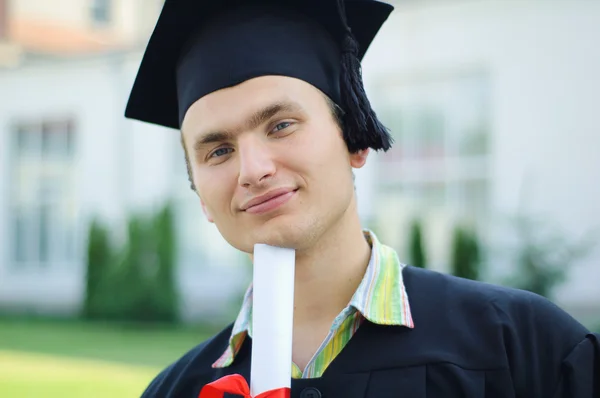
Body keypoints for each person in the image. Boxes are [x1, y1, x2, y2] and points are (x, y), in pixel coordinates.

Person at [125, 0, 600, 396]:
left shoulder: (526, 350)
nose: (253, 170)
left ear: (355, 139)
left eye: (281, 125)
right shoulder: (176, 391)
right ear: (201, 198)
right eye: (220, 150)